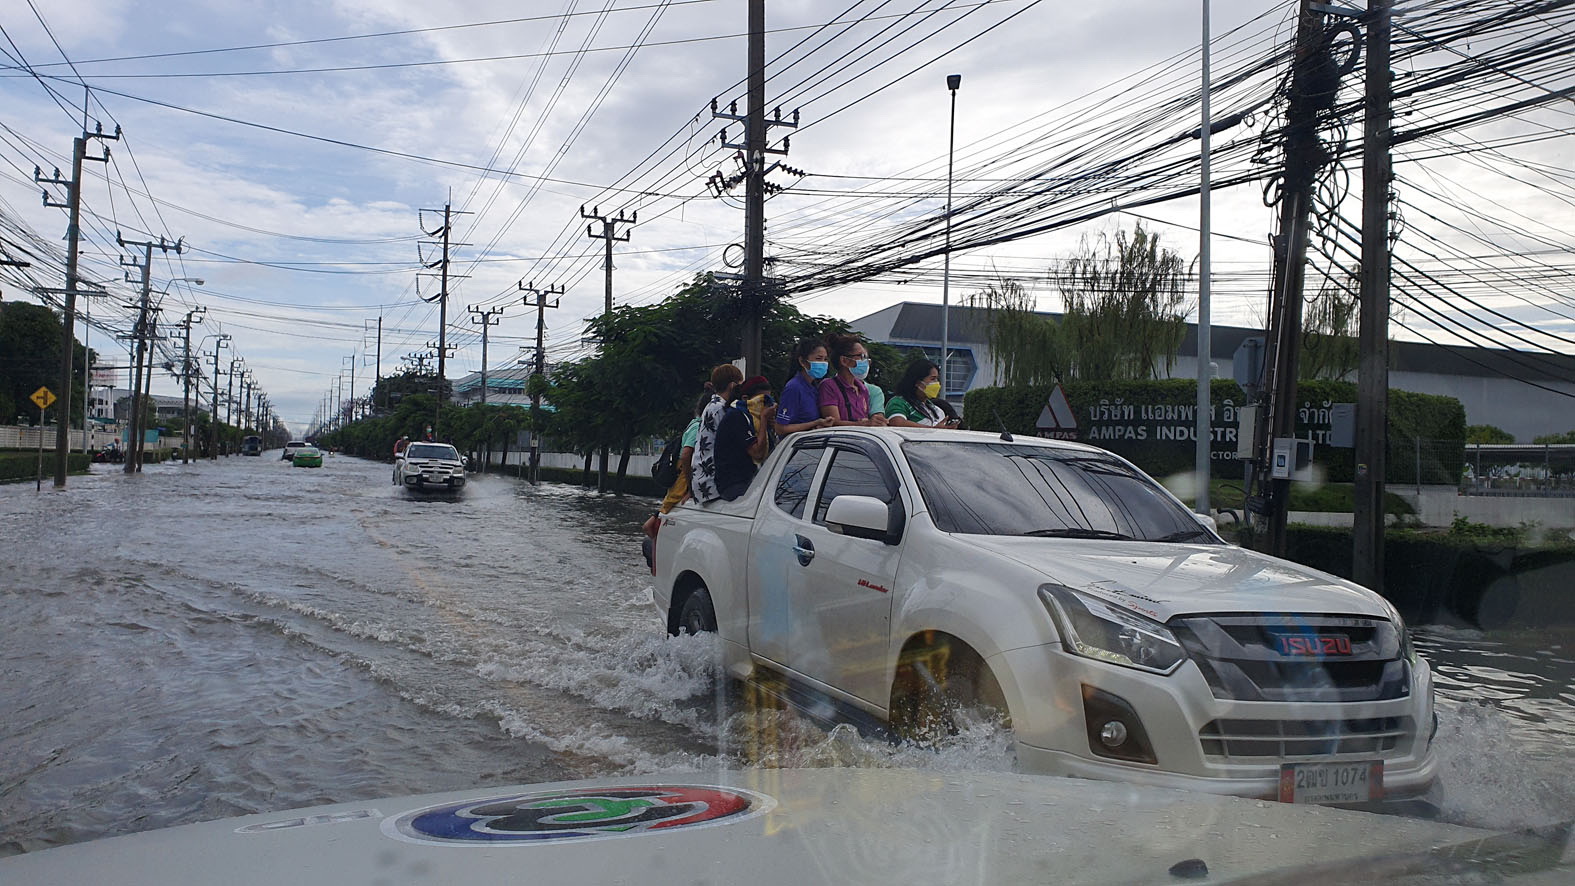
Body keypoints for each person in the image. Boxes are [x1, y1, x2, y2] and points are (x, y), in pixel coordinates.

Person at [693, 364, 773, 503]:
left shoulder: (712, 406)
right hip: (714, 480)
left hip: (704, 479)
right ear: (732, 386)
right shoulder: (724, 410)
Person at [818, 332, 886, 427]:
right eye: (861, 357)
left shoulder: (862, 389)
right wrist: (864, 424)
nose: (866, 361)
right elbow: (832, 422)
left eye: (867, 357)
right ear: (844, 360)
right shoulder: (829, 386)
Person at [775, 337, 837, 438]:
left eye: (825, 359)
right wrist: (814, 423)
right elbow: (780, 428)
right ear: (803, 361)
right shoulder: (794, 388)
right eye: (818, 358)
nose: (823, 363)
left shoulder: (814, 387)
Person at [885, 359, 963, 428]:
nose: (937, 383)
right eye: (932, 379)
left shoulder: (936, 410)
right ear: (918, 383)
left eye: (937, 379)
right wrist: (933, 431)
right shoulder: (899, 402)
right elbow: (897, 423)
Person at [739, 375, 780, 464]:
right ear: (745, 399)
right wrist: (764, 419)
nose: (766, 406)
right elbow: (758, 453)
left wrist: (774, 428)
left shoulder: (758, 420)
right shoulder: (738, 417)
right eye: (762, 401)